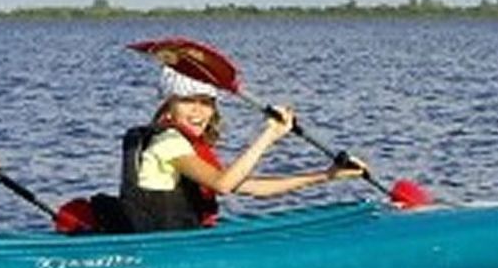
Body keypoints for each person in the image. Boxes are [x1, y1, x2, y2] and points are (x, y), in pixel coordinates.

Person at [117, 65, 369, 232]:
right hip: (165, 249)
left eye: (206, 103)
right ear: (169, 105)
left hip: (183, 241)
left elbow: (256, 188)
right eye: (187, 101)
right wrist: (269, 135)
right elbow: (223, 185)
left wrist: (328, 175)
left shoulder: (186, 145)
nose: (198, 111)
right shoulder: (168, 143)